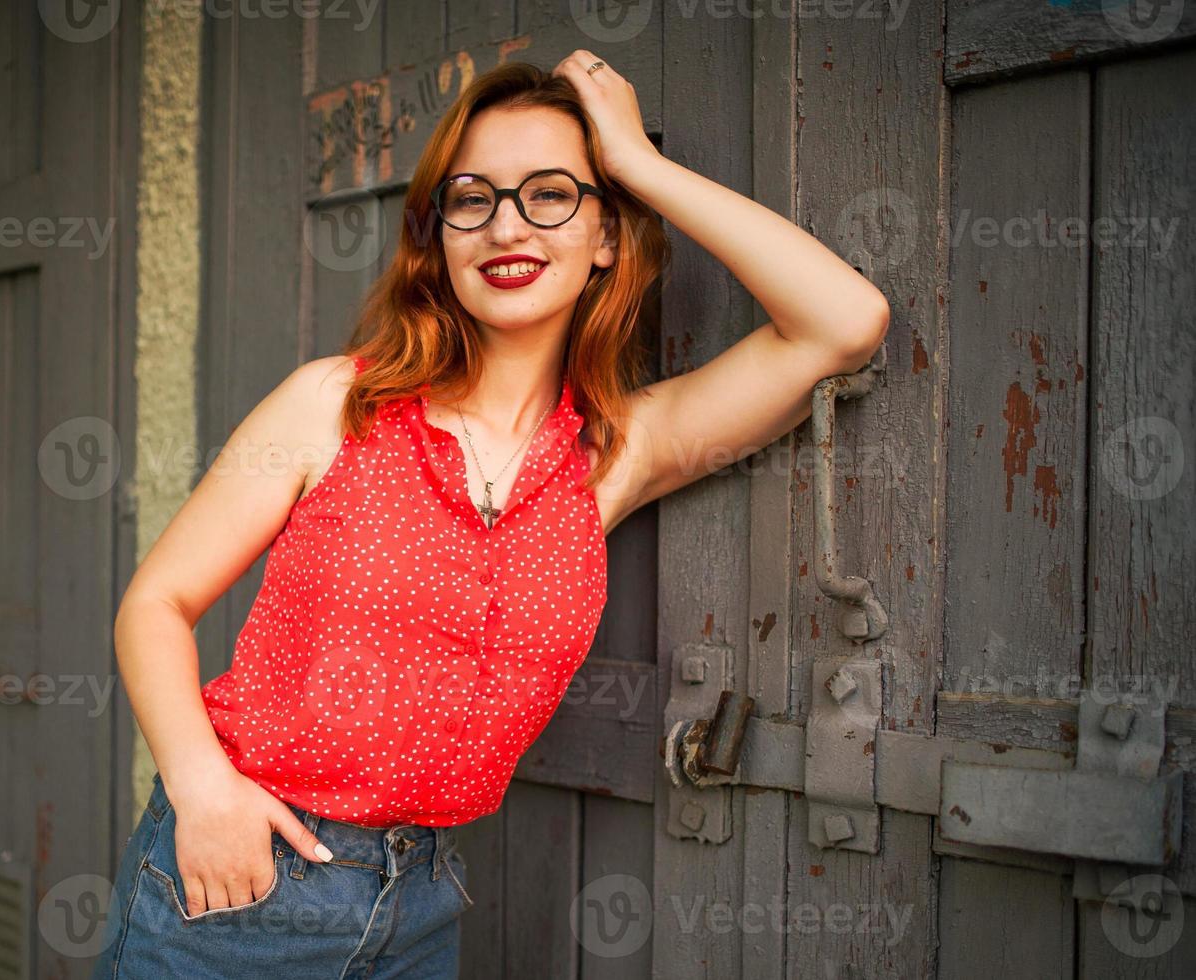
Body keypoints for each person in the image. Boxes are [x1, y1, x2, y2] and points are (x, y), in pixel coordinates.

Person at [94, 49, 888, 979]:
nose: (506, 225)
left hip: (419, 904)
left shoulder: (612, 454)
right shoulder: (334, 406)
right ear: (438, 237)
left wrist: (635, 162)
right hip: (238, 881)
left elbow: (844, 320)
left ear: (606, 236)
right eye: (472, 198)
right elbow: (155, 603)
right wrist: (200, 790)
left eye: (550, 193)